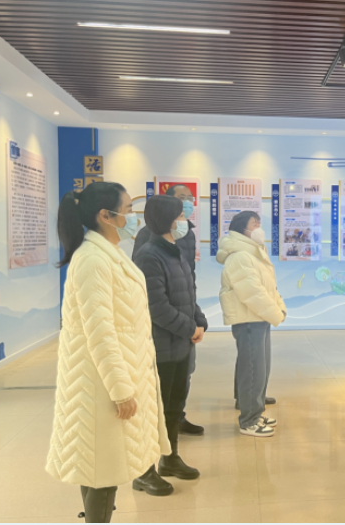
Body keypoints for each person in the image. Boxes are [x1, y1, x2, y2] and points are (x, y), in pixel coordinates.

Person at [47, 182, 171, 523]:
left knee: (99, 463)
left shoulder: (107, 253)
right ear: (106, 215)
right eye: (128, 209)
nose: (133, 216)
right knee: (103, 466)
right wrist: (121, 389)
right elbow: (99, 331)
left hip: (111, 373)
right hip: (100, 382)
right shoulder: (92, 260)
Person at [132, 195, 208, 490]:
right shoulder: (149, 255)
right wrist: (190, 328)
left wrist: (199, 321)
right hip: (160, 347)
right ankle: (144, 471)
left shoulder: (175, 251)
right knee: (154, 408)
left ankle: (170, 457)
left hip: (180, 345)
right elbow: (157, 307)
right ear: (167, 220)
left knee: (174, 405)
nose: (184, 221)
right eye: (180, 216)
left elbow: (188, 293)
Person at [217, 211, 286, 437]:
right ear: (242, 229)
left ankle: (255, 411)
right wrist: (275, 313)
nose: (259, 228)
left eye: (259, 223)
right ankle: (249, 421)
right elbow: (252, 292)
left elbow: (269, 287)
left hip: (259, 317)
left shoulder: (254, 253)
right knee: (253, 370)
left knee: (260, 368)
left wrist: (279, 307)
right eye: (254, 224)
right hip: (249, 319)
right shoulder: (240, 256)